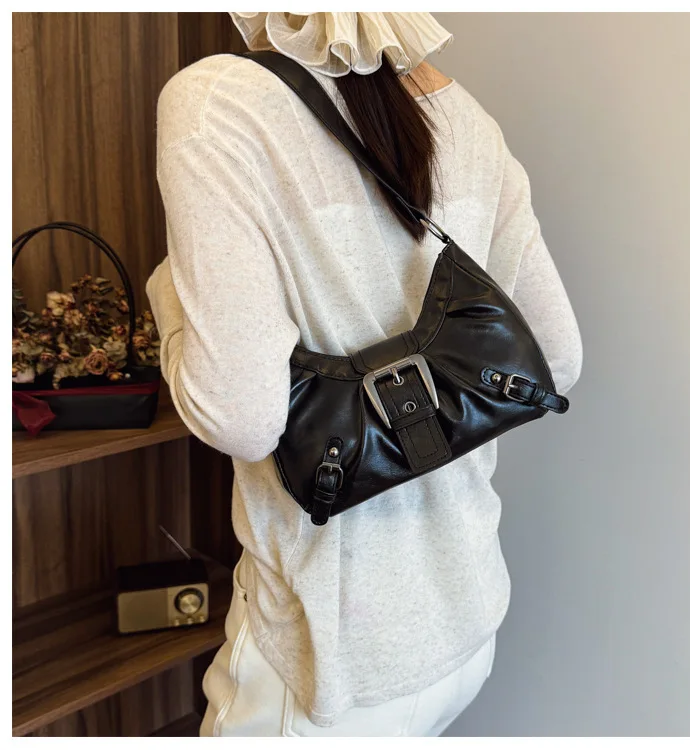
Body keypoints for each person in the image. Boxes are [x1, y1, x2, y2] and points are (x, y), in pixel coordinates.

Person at [146, 12, 583, 737]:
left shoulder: (218, 102)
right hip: (468, 615)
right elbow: (555, 357)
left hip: (327, 663)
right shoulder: (466, 118)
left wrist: (168, 305)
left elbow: (241, 417)